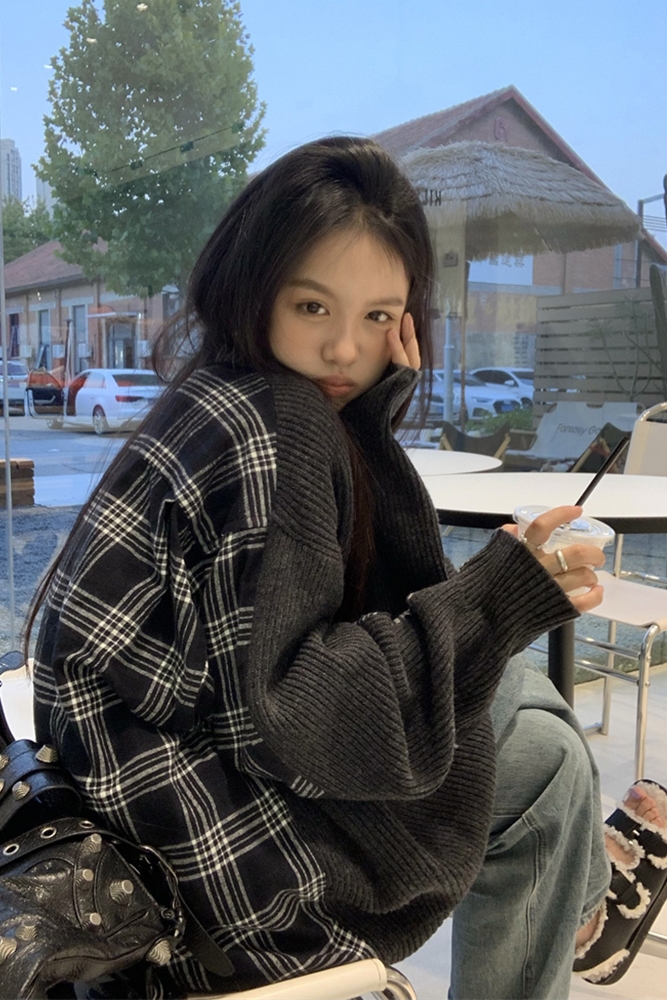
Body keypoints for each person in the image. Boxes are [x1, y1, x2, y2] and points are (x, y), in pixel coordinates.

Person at [28, 137, 667, 1000]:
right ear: (252, 285)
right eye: (312, 306)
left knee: (509, 689)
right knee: (547, 760)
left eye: (376, 318)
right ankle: (587, 911)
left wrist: (368, 416)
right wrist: (500, 594)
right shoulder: (276, 424)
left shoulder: (230, 391)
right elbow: (299, 716)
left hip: (129, 783)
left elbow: (343, 606)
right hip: (200, 841)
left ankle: (583, 905)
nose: (342, 350)